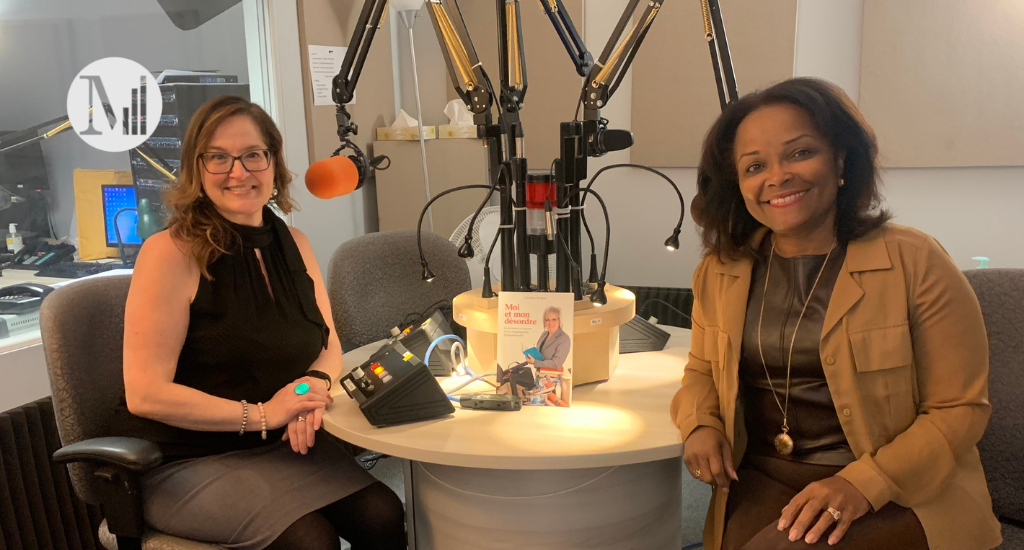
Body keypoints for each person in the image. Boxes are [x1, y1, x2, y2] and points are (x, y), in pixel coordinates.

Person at [669, 78, 1001, 550]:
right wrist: (700, 422)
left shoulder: (916, 260)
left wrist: (863, 483)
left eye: (800, 153)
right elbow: (700, 370)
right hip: (766, 473)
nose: (777, 176)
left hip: (900, 487)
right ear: (738, 184)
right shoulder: (721, 271)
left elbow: (960, 410)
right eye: (755, 166)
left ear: (841, 160)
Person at [113, 96, 406, 550]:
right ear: (197, 168)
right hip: (188, 459)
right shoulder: (171, 253)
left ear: (272, 162)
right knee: (311, 543)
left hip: (282, 446)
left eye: (253, 154)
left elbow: (327, 346)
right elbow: (145, 393)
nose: (238, 171)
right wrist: (268, 414)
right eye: (219, 157)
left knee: (383, 516)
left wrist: (308, 393)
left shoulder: (295, 242)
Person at [526, 306, 572, 403]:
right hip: (540, 377)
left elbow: (557, 363)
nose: (550, 323)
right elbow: (541, 354)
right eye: (547, 320)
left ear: (559, 321)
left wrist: (536, 362)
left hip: (552, 382)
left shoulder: (564, 339)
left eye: (554, 319)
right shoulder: (544, 334)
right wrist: (531, 356)